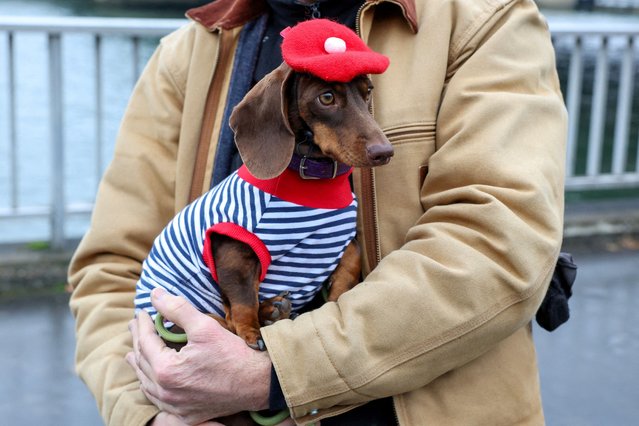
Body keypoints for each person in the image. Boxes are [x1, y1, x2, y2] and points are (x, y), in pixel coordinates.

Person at [68, 0, 568, 425]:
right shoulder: (189, 52)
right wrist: (151, 412)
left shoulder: (483, 19)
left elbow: (499, 240)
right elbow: (112, 266)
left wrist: (280, 371)